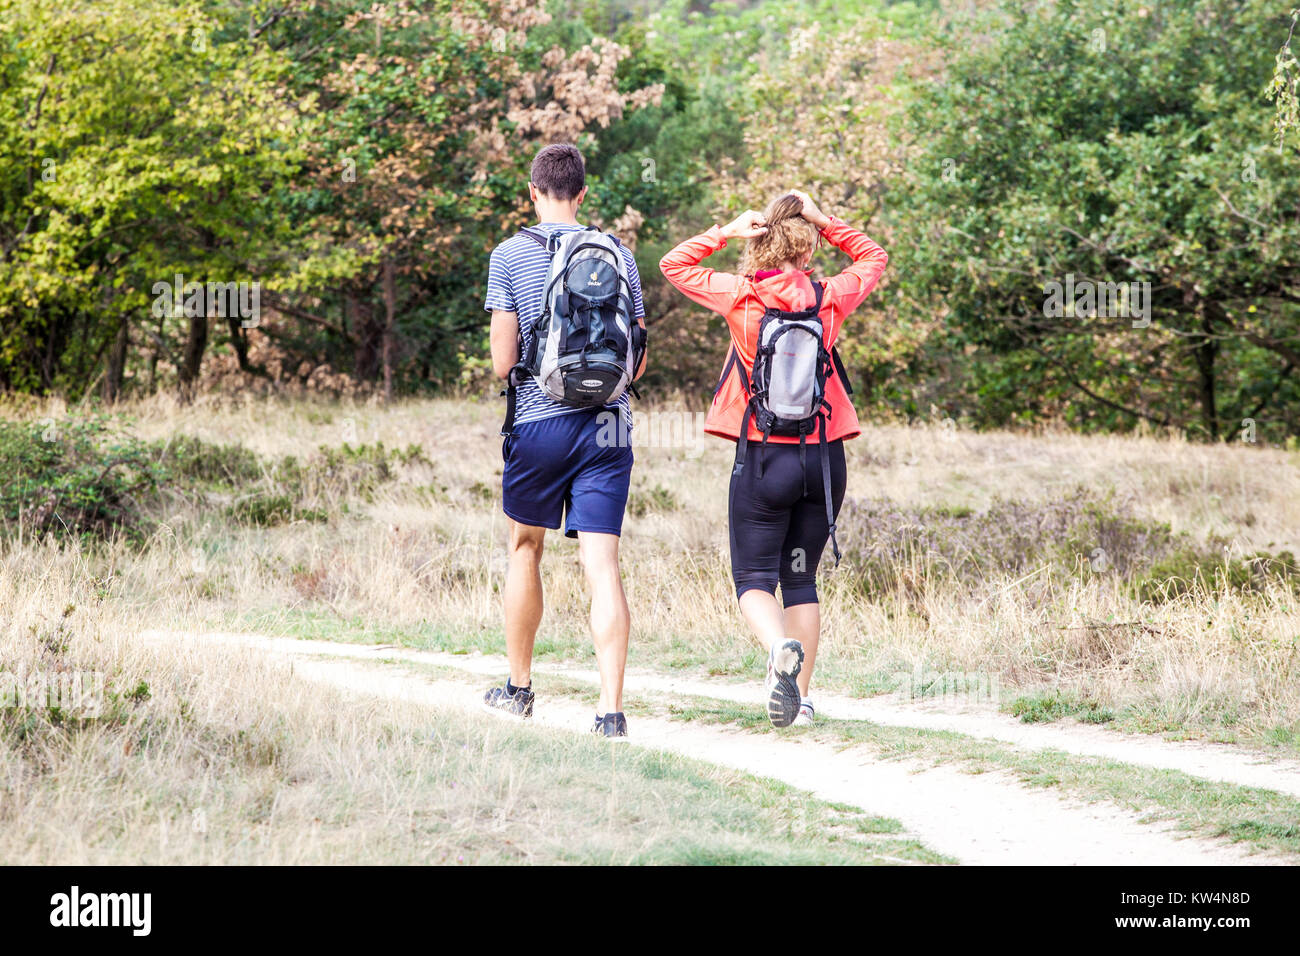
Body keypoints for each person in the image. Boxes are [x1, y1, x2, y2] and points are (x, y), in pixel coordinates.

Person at [659, 190, 887, 727]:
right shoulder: (829, 296)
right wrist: (823, 219)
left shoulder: (740, 296)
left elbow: (674, 263)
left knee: (755, 578)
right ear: (806, 247)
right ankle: (801, 703)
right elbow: (874, 256)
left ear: (760, 247)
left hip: (763, 459)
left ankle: (778, 647)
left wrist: (728, 231)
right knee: (801, 579)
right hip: (822, 460)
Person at [482, 143, 648, 739]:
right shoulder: (618, 254)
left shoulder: (508, 256)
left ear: (533, 191)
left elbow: (504, 363)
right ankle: (610, 712)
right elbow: (639, 361)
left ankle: (520, 689)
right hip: (609, 425)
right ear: (583, 194)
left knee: (525, 548)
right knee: (602, 563)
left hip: (537, 422)